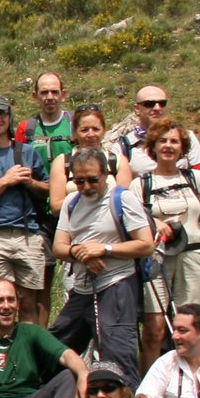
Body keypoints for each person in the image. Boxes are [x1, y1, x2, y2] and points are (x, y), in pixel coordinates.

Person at [50, 147, 154, 381]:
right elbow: (59, 247)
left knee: (117, 353)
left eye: (92, 179)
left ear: (106, 174)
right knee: (56, 345)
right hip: (82, 288)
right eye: (79, 181)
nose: (86, 186)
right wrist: (79, 253)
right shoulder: (71, 202)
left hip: (117, 284)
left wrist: (105, 249)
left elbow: (146, 244)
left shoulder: (122, 199)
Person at [0, 94, 51, 325]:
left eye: (2, 114)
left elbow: (48, 189)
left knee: (28, 304)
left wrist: (30, 183)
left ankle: (26, 347)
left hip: (28, 234)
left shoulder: (27, 152)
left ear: (9, 116)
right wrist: (5, 181)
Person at [135, 120, 200, 373]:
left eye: (174, 141)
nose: (168, 146)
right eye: (162, 141)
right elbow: (131, 217)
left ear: (183, 147)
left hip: (192, 257)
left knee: (192, 325)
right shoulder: (141, 185)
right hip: (157, 260)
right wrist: (154, 222)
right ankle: (148, 386)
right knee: (153, 329)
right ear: (153, 146)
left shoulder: (198, 180)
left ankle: (194, 382)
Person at [18, 72, 76, 319]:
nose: (50, 97)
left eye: (54, 92)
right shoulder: (27, 129)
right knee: (41, 281)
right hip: (39, 212)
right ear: (35, 96)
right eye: (44, 92)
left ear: (64, 94)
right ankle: (42, 336)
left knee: (76, 282)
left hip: (73, 210)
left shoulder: (74, 124)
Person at [108, 85, 200, 177]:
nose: (157, 108)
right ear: (137, 109)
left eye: (162, 103)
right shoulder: (122, 147)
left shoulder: (186, 137)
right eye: (149, 104)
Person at [47, 105, 119, 213]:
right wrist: (91, 195)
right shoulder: (62, 162)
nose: (90, 134)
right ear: (75, 132)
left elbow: (123, 200)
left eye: (96, 129)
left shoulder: (117, 160)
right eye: (84, 130)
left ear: (104, 130)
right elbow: (56, 208)